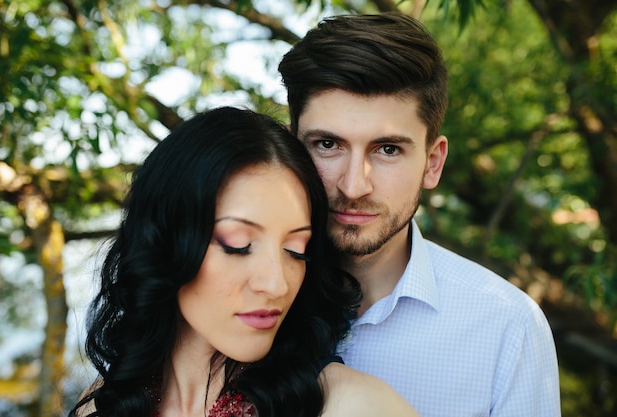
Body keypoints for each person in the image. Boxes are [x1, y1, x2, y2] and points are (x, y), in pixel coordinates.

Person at [278, 12, 561, 417]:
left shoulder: (506, 327)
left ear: (432, 163)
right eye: (327, 144)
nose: (354, 185)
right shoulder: (235, 297)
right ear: (291, 151)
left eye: (388, 149)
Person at [68, 106, 419, 417]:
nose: (276, 284)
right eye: (238, 245)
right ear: (165, 243)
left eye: (297, 250)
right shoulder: (103, 405)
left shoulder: (354, 406)